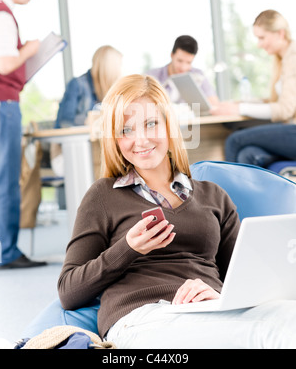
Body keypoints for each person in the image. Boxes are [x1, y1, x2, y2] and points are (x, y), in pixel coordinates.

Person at [57, 74, 296, 349]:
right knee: (268, 336)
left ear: (169, 125)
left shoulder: (213, 195)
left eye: (151, 124)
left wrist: (217, 293)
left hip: (213, 313)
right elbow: (68, 292)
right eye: (126, 130)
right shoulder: (103, 196)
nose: (141, 140)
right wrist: (128, 248)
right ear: (115, 139)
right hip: (142, 319)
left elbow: (249, 280)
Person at [0, 0, 46, 269]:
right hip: (3, 104)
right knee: (5, 178)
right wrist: (29, 49)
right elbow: (3, 64)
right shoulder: (3, 14)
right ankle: (8, 252)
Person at [213, 10, 296, 166]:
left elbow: (285, 110)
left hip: (293, 131)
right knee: (248, 155)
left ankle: (227, 191)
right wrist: (238, 105)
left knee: (234, 140)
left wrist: (240, 109)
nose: (259, 44)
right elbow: (275, 101)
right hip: (289, 132)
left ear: (280, 33)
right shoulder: (282, 60)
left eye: (262, 38)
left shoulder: (293, 57)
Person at [50, 45, 123, 177]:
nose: (120, 73)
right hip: (67, 153)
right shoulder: (77, 85)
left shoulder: (109, 92)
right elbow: (65, 122)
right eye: (118, 67)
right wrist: (89, 120)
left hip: (95, 151)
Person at [146, 35, 218, 104]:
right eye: (180, 61)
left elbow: (214, 103)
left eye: (188, 62)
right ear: (172, 55)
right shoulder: (152, 76)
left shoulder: (198, 76)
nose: (183, 67)